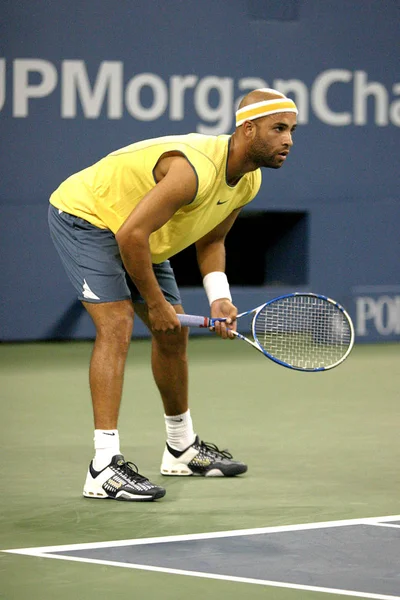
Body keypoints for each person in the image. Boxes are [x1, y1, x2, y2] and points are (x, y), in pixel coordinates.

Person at [48, 88, 298, 502]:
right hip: (88, 216)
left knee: (171, 335)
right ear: (248, 129)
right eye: (278, 128)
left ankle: (181, 448)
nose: (288, 139)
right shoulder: (192, 170)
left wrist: (219, 296)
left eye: (291, 130)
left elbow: (212, 240)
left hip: (142, 233)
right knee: (117, 324)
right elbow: (130, 235)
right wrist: (158, 304)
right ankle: (103, 467)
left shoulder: (248, 180)